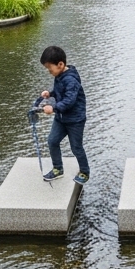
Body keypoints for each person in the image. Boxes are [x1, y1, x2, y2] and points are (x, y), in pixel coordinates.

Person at [38, 45, 89, 185]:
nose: (49, 72)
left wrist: (53, 108)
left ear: (60, 64)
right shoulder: (59, 75)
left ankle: (85, 172)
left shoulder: (71, 80)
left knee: (76, 147)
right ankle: (58, 169)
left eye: (50, 69)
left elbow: (69, 101)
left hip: (75, 120)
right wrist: (50, 94)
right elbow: (59, 92)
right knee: (52, 141)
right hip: (61, 119)